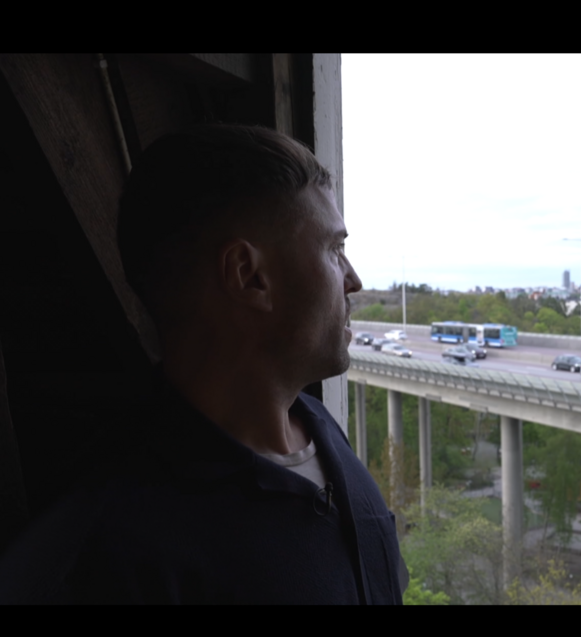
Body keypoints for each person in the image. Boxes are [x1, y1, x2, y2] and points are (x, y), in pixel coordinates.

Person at [0, 123, 406, 604]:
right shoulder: (109, 549)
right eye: (335, 249)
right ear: (248, 276)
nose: (354, 280)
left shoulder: (322, 433)